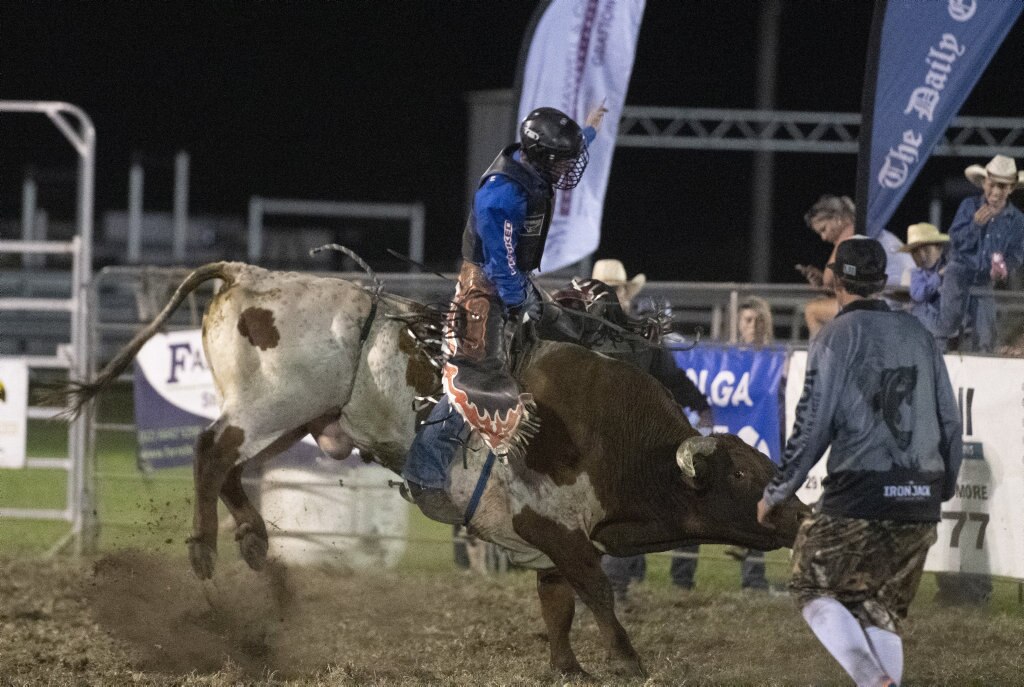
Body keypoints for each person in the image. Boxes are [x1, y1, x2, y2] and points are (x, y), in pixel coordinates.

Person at [758, 236, 963, 687]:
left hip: (860, 492)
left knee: (811, 585)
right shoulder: (918, 334)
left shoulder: (835, 337)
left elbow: (814, 422)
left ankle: (873, 678)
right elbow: (950, 417)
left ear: (835, 281)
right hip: (920, 495)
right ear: (884, 281)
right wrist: (940, 486)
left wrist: (777, 490)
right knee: (877, 603)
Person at [401, 104, 607, 523]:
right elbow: (503, 265)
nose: (570, 167)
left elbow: (514, 265)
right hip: (487, 290)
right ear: (543, 157)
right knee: (476, 382)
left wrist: (588, 130)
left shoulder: (531, 170)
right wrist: (522, 307)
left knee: (570, 332)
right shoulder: (502, 195)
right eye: (564, 160)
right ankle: (423, 474)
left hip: (512, 280)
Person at [584, 259, 715, 603]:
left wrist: (699, 404)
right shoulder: (590, 333)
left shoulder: (595, 334)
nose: (611, 297)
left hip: (619, 440)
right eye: (606, 290)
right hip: (598, 438)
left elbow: (670, 377)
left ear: (626, 293)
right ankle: (602, 587)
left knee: (616, 510)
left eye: (614, 290)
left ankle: (608, 588)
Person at [933, 154, 1024, 352]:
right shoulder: (969, 206)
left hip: (984, 279)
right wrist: (974, 226)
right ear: (984, 183)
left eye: (1002, 186)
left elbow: (1017, 253)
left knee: (986, 333)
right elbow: (955, 240)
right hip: (959, 273)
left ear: (1010, 189)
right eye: (992, 184)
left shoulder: (1017, 220)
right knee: (947, 324)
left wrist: (1004, 269)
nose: (996, 191)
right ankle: (938, 362)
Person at [796, 195, 914, 339]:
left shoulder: (853, 231)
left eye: (824, 229)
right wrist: (825, 280)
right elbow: (854, 275)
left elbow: (829, 278)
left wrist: (826, 279)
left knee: (812, 310)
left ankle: (819, 359)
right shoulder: (871, 230)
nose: (824, 238)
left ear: (838, 219)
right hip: (898, 302)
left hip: (888, 303)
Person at [898, 222, 950, 335]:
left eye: (926, 250)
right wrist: (938, 276)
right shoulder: (915, 274)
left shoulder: (952, 271)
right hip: (923, 331)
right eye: (916, 252)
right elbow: (919, 295)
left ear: (939, 249)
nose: (922, 256)